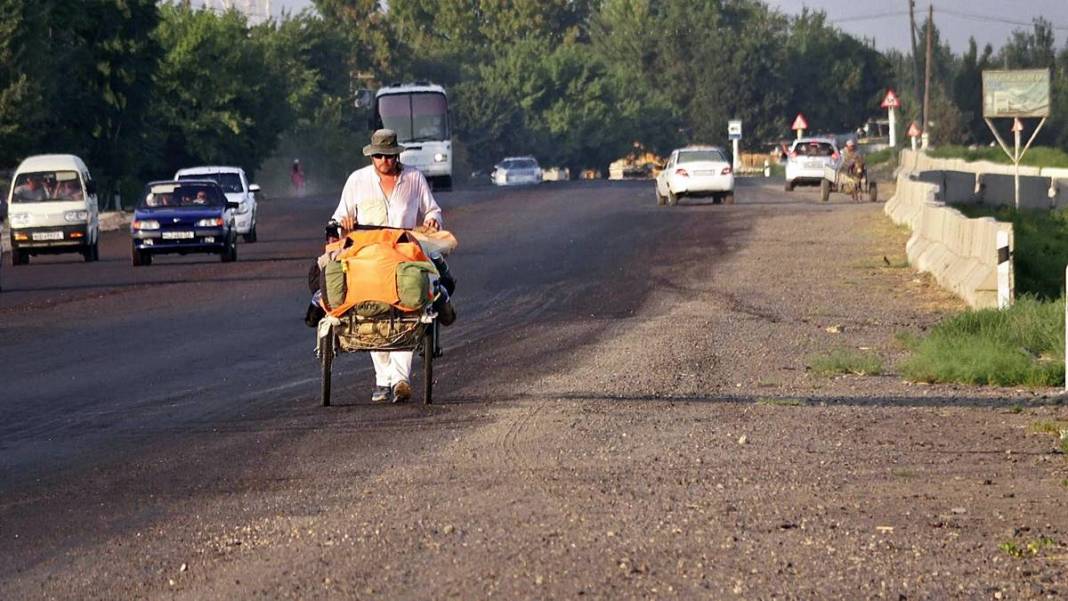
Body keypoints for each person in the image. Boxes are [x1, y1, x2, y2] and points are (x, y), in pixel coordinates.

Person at [331, 128, 443, 403]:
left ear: (397, 155)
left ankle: (400, 380)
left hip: (404, 254)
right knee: (372, 311)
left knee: (409, 309)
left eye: (389, 156)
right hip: (368, 257)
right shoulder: (357, 181)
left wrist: (432, 221)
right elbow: (339, 216)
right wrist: (344, 224)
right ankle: (383, 380)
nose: (384, 161)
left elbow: (433, 210)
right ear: (372, 156)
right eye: (379, 156)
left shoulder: (414, 179)